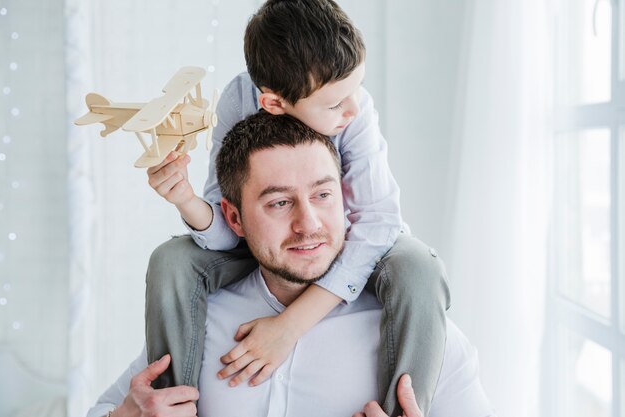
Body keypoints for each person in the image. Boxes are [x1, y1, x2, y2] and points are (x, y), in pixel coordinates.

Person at [145, 1, 450, 415]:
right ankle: (170, 406)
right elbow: (227, 225)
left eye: (354, 89)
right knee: (172, 259)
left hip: (349, 246)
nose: (352, 109)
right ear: (273, 103)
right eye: (333, 104)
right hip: (261, 244)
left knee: (416, 264)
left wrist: (290, 326)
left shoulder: (353, 111)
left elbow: (379, 223)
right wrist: (186, 201)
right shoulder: (239, 101)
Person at [88, 112, 494, 417]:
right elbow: (108, 407)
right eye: (280, 203)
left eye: (322, 195)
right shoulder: (194, 318)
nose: (309, 225)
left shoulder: (418, 330)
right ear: (234, 219)